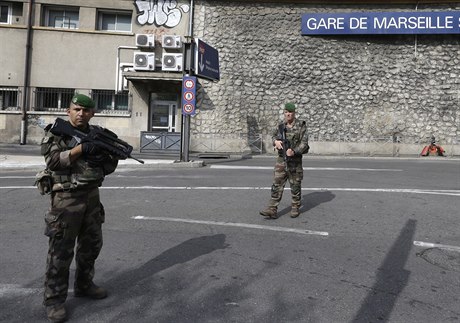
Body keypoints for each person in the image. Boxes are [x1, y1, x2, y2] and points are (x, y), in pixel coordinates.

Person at [40, 94, 119, 322]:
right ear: (68, 111)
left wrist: (105, 155)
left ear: (92, 113)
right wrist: (81, 149)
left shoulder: (98, 135)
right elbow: (53, 161)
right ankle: (54, 300)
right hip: (66, 199)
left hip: (92, 197)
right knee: (61, 252)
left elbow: (107, 167)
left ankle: (84, 285)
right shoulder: (57, 132)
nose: (81, 114)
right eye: (76, 109)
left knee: (91, 246)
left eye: (86, 110)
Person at [259, 102, 309, 219]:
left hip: (295, 162)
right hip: (281, 160)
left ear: (294, 113)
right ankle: (272, 209)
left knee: (295, 185)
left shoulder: (301, 126)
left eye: (290, 112)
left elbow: (304, 144)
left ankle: (295, 206)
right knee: (277, 184)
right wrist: (275, 142)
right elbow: (273, 136)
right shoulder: (280, 126)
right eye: (286, 112)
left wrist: (294, 151)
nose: (288, 114)